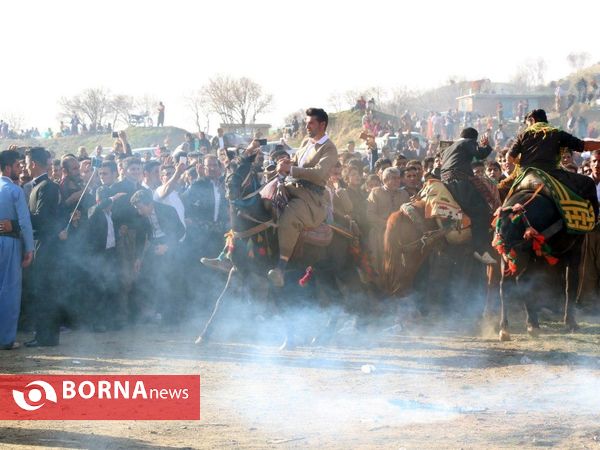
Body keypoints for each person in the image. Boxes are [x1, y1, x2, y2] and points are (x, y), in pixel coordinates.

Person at [267, 108, 338, 287]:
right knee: (265, 197)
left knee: (290, 214)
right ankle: (229, 254)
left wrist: (290, 169)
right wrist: (285, 164)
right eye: (306, 123)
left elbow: (319, 173)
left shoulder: (329, 148)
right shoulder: (306, 141)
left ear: (322, 125)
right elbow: (297, 163)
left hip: (313, 198)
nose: (307, 127)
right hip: (294, 186)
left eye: (311, 123)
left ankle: (281, 268)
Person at [507, 109, 600, 218]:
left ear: (532, 120)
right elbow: (584, 146)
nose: (527, 127)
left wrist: (521, 162)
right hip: (550, 175)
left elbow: (508, 158)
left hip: (525, 177)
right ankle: (594, 220)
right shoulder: (557, 133)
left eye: (527, 124)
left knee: (504, 192)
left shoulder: (523, 135)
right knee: (588, 182)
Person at [441, 127, 496, 265]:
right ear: (473, 139)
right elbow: (480, 154)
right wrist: (486, 145)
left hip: (446, 182)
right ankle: (480, 249)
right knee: (482, 211)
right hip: (459, 183)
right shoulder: (466, 142)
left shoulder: (449, 147)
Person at [25, 147, 63, 347]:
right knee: (41, 290)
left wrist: (19, 218)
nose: (24, 166)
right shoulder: (37, 186)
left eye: (26, 162)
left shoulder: (48, 186)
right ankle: (43, 335)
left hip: (46, 246)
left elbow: (43, 219)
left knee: (46, 290)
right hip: (40, 243)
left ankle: (47, 337)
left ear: (33, 164)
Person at [0, 150, 34, 350]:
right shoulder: (14, 190)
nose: (20, 168)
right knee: (10, 291)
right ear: (7, 168)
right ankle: (6, 339)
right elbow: (24, 222)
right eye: (17, 165)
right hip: (9, 244)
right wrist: (29, 248)